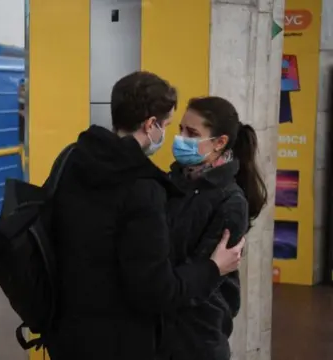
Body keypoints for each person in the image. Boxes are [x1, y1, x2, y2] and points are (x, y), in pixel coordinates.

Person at [45, 71, 245, 359]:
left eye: (191, 133)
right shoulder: (144, 187)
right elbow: (156, 289)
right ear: (151, 124)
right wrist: (213, 269)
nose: (176, 138)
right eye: (169, 126)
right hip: (121, 340)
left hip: (68, 332)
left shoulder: (72, 159)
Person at [163, 96, 267, 360]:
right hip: (163, 333)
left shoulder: (231, 201)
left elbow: (201, 278)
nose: (181, 138)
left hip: (198, 339)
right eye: (181, 130)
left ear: (220, 142)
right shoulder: (172, 182)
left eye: (192, 133)